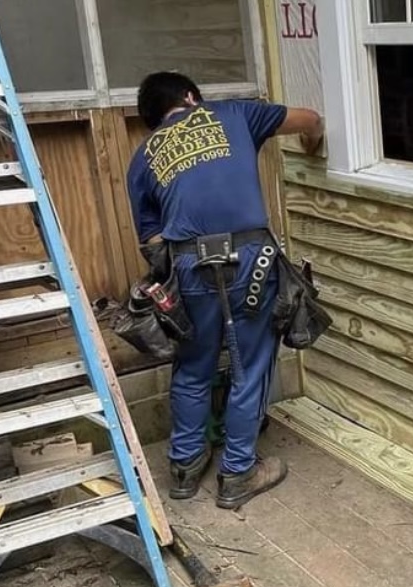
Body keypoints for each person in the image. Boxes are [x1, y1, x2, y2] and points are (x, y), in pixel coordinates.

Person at [125, 72, 324, 509]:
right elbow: (309, 118)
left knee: (193, 366)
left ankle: (185, 467)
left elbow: (153, 241)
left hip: (188, 264)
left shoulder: (142, 158)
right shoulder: (234, 112)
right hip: (251, 258)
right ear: (192, 97)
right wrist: (314, 138)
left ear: (154, 120)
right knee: (250, 365)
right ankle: (237, 473)